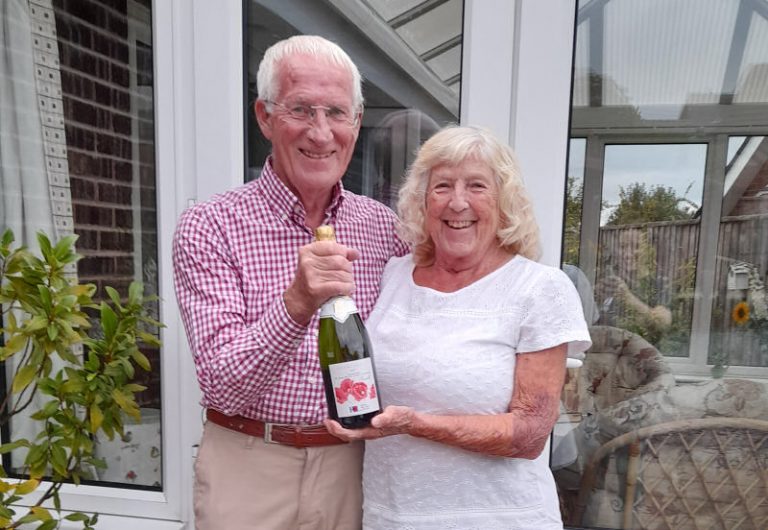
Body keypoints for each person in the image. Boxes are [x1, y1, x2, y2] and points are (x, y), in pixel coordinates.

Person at [172, 35, 408, 530]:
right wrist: (297, 302)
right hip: (249, 461)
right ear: (264, 117)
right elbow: (221, 385)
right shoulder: (211, 225)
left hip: (355, 465)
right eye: (301, 109)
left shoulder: (387, 229)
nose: (321, 133)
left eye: (337, 113)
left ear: (357, 123)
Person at [326, 125, 592, 529]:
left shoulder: (540, 289)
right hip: (394, 516)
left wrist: (415, 424)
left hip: (498, 518)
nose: (458, 203)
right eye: (443, 186)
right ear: (422, 200)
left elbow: (529, 434)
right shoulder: (392, 275)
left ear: (505, 202)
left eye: (477, 186)